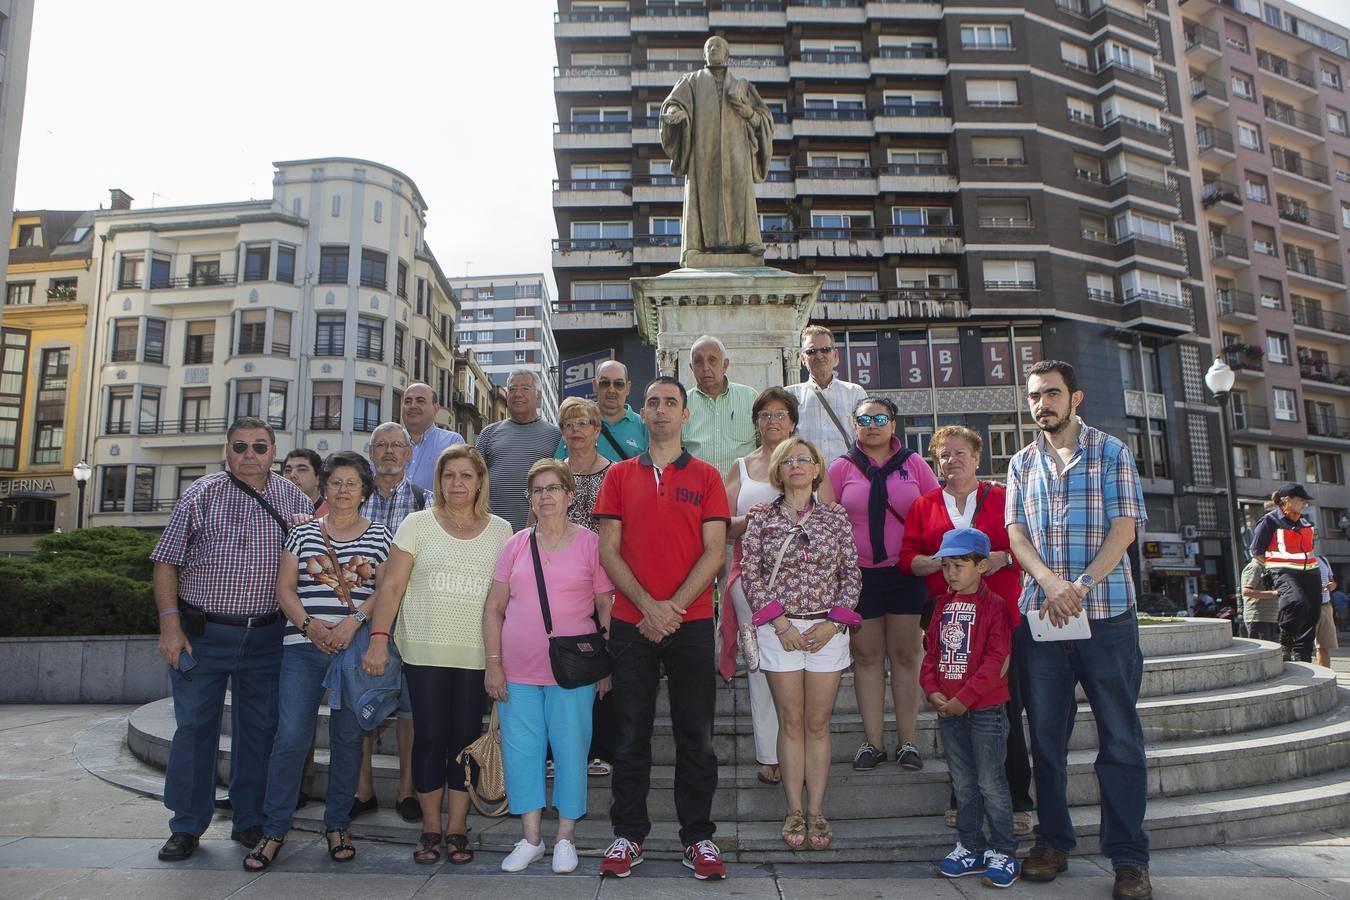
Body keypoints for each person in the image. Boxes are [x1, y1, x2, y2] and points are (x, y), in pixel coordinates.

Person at [1005, 360, 1151, 900]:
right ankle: (1053, 841)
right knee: (1045, 739)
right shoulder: (1021, 463)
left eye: (1052, 393)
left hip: (1107, 615)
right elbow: (1015, 532)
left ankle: (1130, 859)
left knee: (1119, 738)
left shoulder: (1111, 451)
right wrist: (1047, 581)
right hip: (1042, 618)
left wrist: (1080, 586)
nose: (1042, 403)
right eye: (1035, 396)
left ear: (1076, 397)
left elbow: (1124, 528)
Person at [149, 417, 312, 862]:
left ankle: (249, 819)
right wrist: (169, 624)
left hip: (267, 636)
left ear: (274, 451)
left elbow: (313, 561)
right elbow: (166, 561)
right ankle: (186, 824)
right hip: (203, 635)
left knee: (258, 732)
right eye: (240, 446)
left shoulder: (293, 498)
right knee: (194, 730)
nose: (249, 455)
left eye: (259, 447)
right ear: (227, 449)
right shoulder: (200, 494)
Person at [593, 376, 731, 880]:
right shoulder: (618, 476)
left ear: (685, 413)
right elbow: (608, 549)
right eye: (652, 402)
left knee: (696, 736)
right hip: (632, 625)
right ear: (642, 413)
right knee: (630, 737)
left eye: (671, 402)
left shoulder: (709, 477)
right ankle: (628, 835)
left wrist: (671, 606)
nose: (661, 410)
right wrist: (648, 606)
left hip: (692, 623)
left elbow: (715, 552)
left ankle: (698, 839)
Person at [361, 445, 512, 865]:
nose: (457, 483)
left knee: (465, 741)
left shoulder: (502, 531)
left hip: (478, 654)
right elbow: (391, 587)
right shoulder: (416, 524)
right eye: (449, 476)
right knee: (428, 739)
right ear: (438, 481)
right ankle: (431, 829)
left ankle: (458, 828)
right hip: (424, 650)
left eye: (466, 475)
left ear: (480, 481)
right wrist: (378, 638)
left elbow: (508, 600)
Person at [244, 451, 391, 870]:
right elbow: (285, 588)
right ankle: (274, 830)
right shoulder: (303, 533)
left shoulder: (381, 536)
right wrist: (309, 625)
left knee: (347, 740)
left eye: (351, 483)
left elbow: (388, 589)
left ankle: (338, 825)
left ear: (364, 491)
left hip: (353, 650)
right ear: (323, 489)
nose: (343, 490)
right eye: (335, 483)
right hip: (302, 648)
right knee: (290, 738)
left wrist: (354, 622)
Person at [483, 459, 616, 874]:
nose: (545, 496)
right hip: (517, 671)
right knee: (522, 752)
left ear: (570, 495)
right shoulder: (515, 544)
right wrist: (492, 664)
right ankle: (531, 838)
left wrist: (606, 665)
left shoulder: (591, 543)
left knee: (572, 751)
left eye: (553, 488)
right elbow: (494, 608)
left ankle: (565, 838)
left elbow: (605, 606)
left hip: (573, 671)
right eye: (537, 490)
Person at [899, 425, 1031, 837]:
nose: (951, 460)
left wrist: (1002, 557)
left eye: (960, 453)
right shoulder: (925, 504)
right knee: (956, 711)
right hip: (949, 621)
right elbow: (907, 559)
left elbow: (1028, 546)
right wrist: (940, 562)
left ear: (977, 457)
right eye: (943, 455)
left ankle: (1018, 798)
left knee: (1004, 711)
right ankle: (962, 797)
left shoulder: (1004, 498)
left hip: (1000, 616)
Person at [741, 437, 860, 851]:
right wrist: (779, 622)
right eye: (787, 460)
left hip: (827, 632)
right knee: (791, 722)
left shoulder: (835, 518)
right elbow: (750, 572)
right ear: (778, 470)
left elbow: (851, 575)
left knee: (817, 723)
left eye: (803, 460)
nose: (796, 466)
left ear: (816, 468)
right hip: (780, 633)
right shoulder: (760, 517)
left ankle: (817, 811)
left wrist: (834, 623)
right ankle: (794, 808)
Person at [722, 387, 837, 786]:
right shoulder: (741, 466)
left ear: (793, 421)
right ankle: (770, 753)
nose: (772, 421)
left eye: (780, 414)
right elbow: (721, 522)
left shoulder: (809, 463)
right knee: (760, 665)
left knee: (805, 666)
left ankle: (802, 747)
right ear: (755, 423)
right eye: (764, 415)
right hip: (753, 579)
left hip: (810, 587)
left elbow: (830, 521)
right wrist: (760, 520)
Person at [827, 396, 939, 772]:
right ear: (854, 424)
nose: (872, 425)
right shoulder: (841, 468)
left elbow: (934, 513)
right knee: (867, 657)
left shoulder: (913, 464)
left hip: (906, 572)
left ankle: (908, 741)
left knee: (906, 655)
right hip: (859, 576)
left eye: (880, 418)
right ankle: (873, 742)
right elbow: (827, 521)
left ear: (893, 424)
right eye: (864, 419)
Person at [922, 528, 1020, 889]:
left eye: (959, 565)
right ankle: (971, 847)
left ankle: (1003, 851)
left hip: (985, 710)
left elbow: (998, 659)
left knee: (991, 782)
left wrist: (965, 698)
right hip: (949, 711)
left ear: (982, 565)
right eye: (946, 565)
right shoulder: (941, 606)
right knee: (962, 782)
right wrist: (932, 691)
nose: (950, 573)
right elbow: (931, 654)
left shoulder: (995, 607)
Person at [351, 422, 435, 822]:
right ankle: (362, 788)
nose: (388, 452)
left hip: (414, 618)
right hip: (362, 618)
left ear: (409, 454)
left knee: (409, 709)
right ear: (371, 453)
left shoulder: (426, 501)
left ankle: (407, 790)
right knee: (364, 704)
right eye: (380, 445)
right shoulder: (353, 500)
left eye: (396, 445)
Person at [659, 34, 775, 266]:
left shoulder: (742, 86)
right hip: (704, 153)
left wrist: (749, 114)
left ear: (727, 54)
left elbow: (766, 121)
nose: (713, 48)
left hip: (736, 154)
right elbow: (673, 103)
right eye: (709, 46)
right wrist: (675, 115)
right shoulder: (691, 81)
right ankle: (694, 246)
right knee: (699, 193)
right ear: (704, 54)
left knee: (741, 192)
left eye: (718, 46)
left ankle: (749, 241)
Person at [557, 396, 618, 775]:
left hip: (605, 579)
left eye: (585, 423)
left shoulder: (617, 473)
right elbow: (534, 524)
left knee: (603, 662)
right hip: (560, 584)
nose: (577, 430)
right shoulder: (551, 473)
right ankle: (560, 750)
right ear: (561, 432)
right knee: (561, 660)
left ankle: (601, 749)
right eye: (569, 424)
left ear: (598, 430)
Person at [476, 369, 564, 531]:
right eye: (512, 389)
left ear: (539, 395)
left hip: (539, 533)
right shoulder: (488, 434)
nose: (517, 394)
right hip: (491, 530)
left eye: (525, 388)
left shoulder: (556, 436)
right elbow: (474, 478)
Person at [1249, 484, 1321, 663]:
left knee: (1312, 612)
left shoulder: (1305, 522)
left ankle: (1303, 654)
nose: (1305, 504)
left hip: (1311, 572)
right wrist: (1272, 569)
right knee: (1296, 602)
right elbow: (1256, 551)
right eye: (1301, 500)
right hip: (1284, 572)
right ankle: (1286, 645)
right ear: (1287, 500)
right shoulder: (1269, 521)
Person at [787, 325, 868, 465]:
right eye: (811, 351)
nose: (819, 356)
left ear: (835, 355)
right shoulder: (789, 395)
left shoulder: (855, 393)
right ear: (802, 358)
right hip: (805, 478)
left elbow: (866, 437)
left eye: (825, 350)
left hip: (846, 475)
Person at [683, 335, 758, 477]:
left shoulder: (750, 397)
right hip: (697, 492)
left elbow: (765, 445)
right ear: (691, 367)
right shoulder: (682, 403)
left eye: (712, 360)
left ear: (725, 365)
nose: (705, 367)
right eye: (698, 361)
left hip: (741, 492)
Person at [554, 359, 648, 462]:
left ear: (628, 388)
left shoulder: (643, 425)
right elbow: (559, 468)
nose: (611, 390)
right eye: (605, 383)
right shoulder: (576, 423)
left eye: (618, 384)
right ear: (595, 385)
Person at [401, 382, 465, 493]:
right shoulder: (389, 443)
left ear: (435, 408)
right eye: (407, 401)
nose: (412, 406)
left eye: (420, 401)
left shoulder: (452, 442)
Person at [1241, 554, 1280, 642]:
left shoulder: (1266, 567)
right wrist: (1274, 593)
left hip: (1270, 617)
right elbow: (1246, 591)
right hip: (1258, 618)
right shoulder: (1254, 567)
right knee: (1264, 651)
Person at [283, 449, 327, 516]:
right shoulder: (276, 511)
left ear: (318, 478)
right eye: (288, 470)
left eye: (302, 470)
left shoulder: (332, 515)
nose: (292, 475)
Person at [1315, 553, 1338, 668]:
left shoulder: (1323, 560)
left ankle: (1325, 674)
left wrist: (1331, 585)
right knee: (1305, 646)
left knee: (1324, 646)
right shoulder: (1297, 559)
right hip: (1309, 607)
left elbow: (1333, 582)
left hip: (1326, 606)